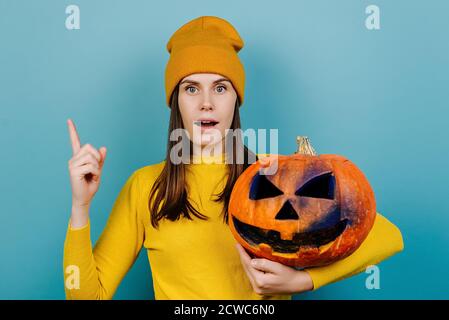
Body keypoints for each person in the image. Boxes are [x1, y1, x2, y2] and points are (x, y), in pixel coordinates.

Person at [63, 15, 403, 300]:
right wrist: (80, 206)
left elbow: (388, 235)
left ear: (235, 101)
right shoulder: (145, 187)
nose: (206, 102)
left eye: (221, 87)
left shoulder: (275, 174)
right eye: (191, 88)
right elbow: (87, 295)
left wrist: (303, 281)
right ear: (176, 101)